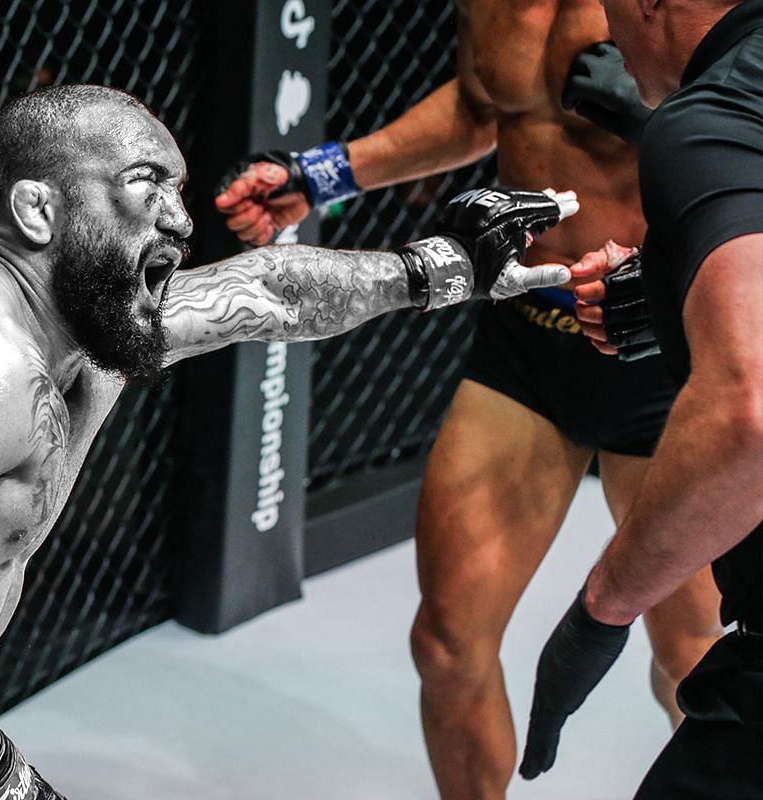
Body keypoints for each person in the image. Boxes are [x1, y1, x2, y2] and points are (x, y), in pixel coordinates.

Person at [0, 83, 575, 799]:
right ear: (38, 208)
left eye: (178, 192)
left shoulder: (90, 328)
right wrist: (5, 782)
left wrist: (445, 268)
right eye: (144, 185)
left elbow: (268, 290)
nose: (179, 219)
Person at [213, 3, 724, 797]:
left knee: (694, 656)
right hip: (527, 336)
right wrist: (324, 173)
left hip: (667, 351)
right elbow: (487, 104)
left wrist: (665, 119)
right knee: (449, 645)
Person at [519, 1, 763, 796]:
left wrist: (600, 611)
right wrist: (681, 278)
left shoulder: (709, 119)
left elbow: (748, 418)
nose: (606, 30)